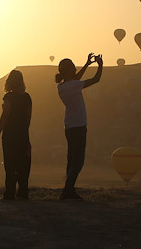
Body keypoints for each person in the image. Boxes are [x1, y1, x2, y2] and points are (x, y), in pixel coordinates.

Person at [55, 53, 103, 200]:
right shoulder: (74, 85)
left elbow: (76, 79)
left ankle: (69, 189)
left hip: (69, 126)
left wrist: (87, 64)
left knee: (71, 160)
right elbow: (96, 79)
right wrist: (99, 65)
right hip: (78, 125)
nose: (76, 69)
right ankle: (67, 190)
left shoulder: (62, 87)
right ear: (70, 70)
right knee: (78, 161)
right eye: (73, 67)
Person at [0, 70, 32, 200]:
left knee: (10, 165)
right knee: (23, 164)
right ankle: (23, 193)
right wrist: (24, 132)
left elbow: (5, 116)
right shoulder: (27, 97)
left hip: (10, 135)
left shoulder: (8, 97)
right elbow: (28, 118)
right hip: (23, 135)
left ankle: (9, 193)